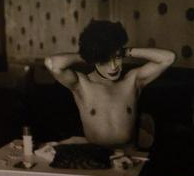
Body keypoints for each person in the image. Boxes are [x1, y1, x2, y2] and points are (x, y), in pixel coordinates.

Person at [44, 19, 176, 148]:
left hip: (129, 156)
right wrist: (89, 54)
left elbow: (169, 58)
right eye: (105, 61)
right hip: (97, 158)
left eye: (117, 58)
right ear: (94, 59)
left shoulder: (132, 80)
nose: (113, 67)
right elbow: (52, 64)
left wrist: (126, 51)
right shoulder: (82, 84)